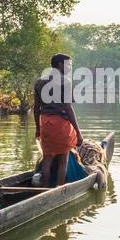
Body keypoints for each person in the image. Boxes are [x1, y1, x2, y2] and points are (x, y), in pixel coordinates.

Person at [33, 54, 83, 186]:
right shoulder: (65, 81)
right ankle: (59, 189)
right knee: (63, 160)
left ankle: (44, 189)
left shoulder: (39, 82)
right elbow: (68, 108)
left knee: (47, 159)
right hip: (60, 125)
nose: (70, 68)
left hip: (45, 124)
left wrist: (38, 128)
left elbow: (36, 108)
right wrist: (78, 132)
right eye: (69, 65)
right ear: (60, 64)